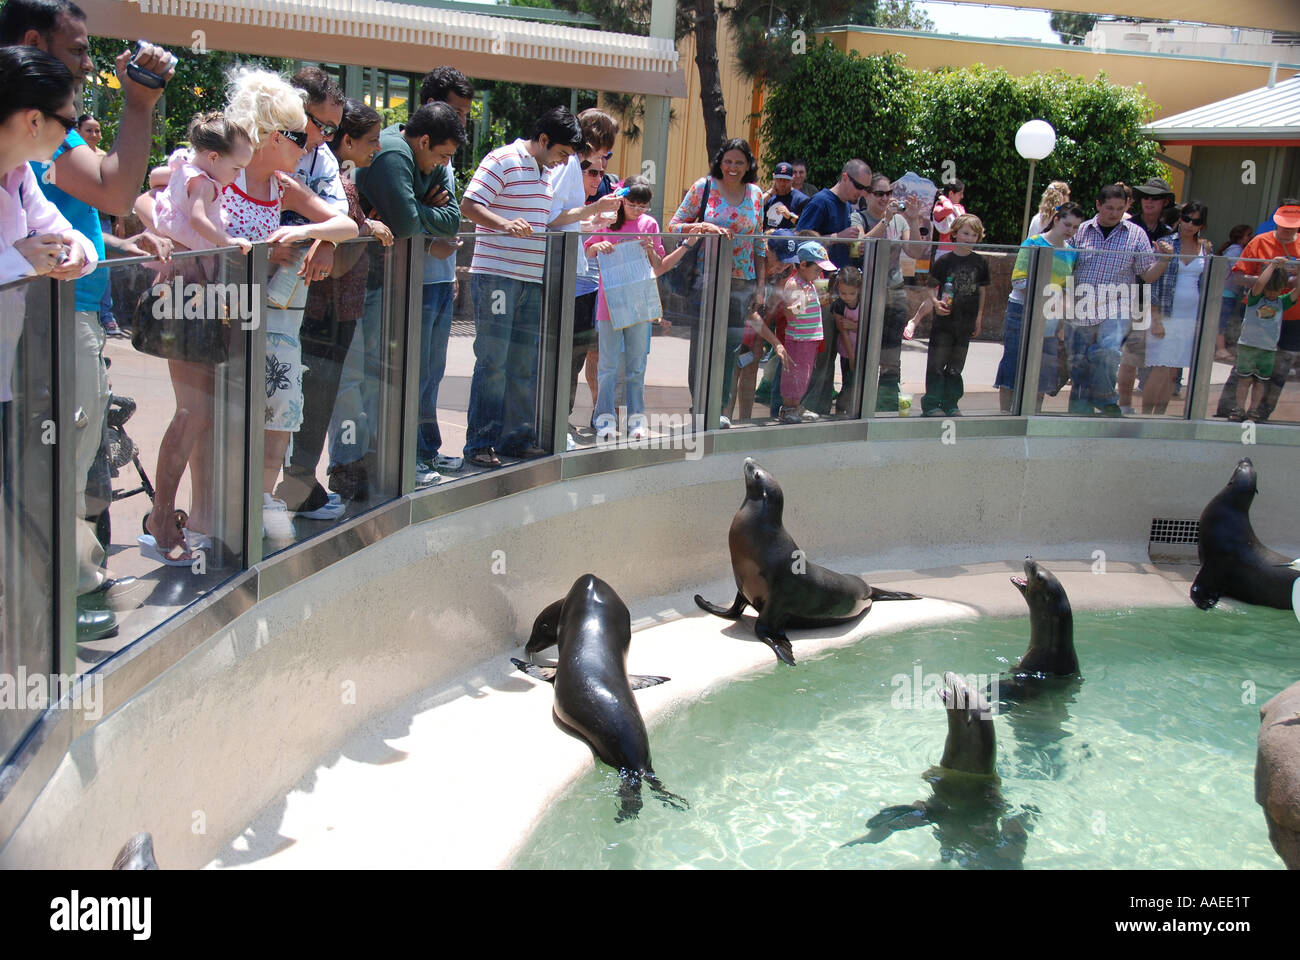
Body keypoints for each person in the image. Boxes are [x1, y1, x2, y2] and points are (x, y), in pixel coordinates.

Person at [6, 0, 173, 624]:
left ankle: (67, 580)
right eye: (77, 50)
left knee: (66, 452)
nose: (87, 63)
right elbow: (114, 188)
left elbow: (64, 226)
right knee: (55, 456)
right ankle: (58, 592)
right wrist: (138, 104)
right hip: (44, 318)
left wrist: (89, 247)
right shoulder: (33, 131)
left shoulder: (24, 160)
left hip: (52, 310)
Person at [277, 99, 392, 522]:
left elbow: (344, 232)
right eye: (371, 140)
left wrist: (350, 230)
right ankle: (297, 483)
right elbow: (342, 239)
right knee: (309, 400)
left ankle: (299, 482)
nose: (376, 148)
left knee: (316, 400)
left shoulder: (338, 179)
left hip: (336, 309)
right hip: (320, 308)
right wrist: (354, 230)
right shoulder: (339, 186)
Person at [461, 105, 582, 468]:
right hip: (498, 277)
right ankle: (479, 443)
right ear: (543, 140)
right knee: (493, 361)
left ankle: (514, 439)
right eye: (561, 153)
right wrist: (503, 223)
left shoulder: (545, 170)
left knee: (522, 363)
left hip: (530, 279)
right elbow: (469, 205)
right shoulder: (501, 159)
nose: (563, 163)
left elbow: (548, 219)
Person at [351, 101, 464, 488]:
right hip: (370, 284)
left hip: (392, 281)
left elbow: (451, 220)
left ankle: (395, 459)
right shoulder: (393, 154)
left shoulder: (417, 154)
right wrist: (416, 212)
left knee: (408, 374)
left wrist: (414, 214)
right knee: (374, 379)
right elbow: (405, 222)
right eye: (441, 156)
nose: (441, 167)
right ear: (425, 139)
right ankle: (372, 465)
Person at [667, 137, 766, 427]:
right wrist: (702, 226)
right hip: (706, 280)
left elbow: (759, 242)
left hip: (741, 282)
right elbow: (674, 224)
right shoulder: (704, 187)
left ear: (748, 165)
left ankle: (720, 408)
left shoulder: (757, 194)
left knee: (731, 347)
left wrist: (760, 285)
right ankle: (700, 407)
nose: (732, 167)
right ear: (719, 163)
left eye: (739, 162)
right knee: (703, 347)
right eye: (727, 161)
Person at [584, 176, 689, 440]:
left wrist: (651, 248)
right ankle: (604, 419)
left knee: (636, 366)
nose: (637, 211)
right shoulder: (608, 220)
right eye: (632, 205)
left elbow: (658, 263)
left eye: (643, 206)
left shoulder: (649, 223)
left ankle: (636, 421)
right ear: (622, 200)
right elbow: (588, 250)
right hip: (610, 303)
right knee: (607, 366)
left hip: (639, 301)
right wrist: (598, 245)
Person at [545, 107, 622, 440]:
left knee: (576, 357)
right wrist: (594, 211)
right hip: (560, 280)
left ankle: (557, 424)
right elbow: (551, 217)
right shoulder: (569, 168)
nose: (603, 165)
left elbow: (567, 219)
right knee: (561, 360)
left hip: (577, 282)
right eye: (604, 153)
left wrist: (590, 223)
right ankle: (551, 426)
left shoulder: (575, 168)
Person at [1064, 184, 1171, 416]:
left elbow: (1147, 275)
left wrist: (1163, 261)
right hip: (1082, 305)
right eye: (1109, 208)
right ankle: (1080, 411)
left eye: (1120, 209)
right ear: (1098, 205)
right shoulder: (1080, 231)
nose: (1114, 213)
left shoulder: (1136, 234)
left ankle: (1106, 400)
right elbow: (1063, 266)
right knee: (1080, 364)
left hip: (1117, 305)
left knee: (1109, 352)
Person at [994, 201, 1083, 412]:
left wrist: (1062, 317)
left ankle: (1033, 415)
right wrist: (1051, 296)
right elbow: (1019, 280)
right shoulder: (1033, 242)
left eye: (1075, 227)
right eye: (1068, 225)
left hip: (1050, 317)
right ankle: (1005, 415)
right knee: (1013, 364)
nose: (1071, 231)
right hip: (1022, 311)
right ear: (1056, 220)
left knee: (1043, 368)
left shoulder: (1072, 252)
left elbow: (1068, 288)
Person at [1214, 204, 1300, 422]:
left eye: (1293, 228)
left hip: (1292, 316)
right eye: (1284, 227)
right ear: (1276, 223)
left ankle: (1260, 413)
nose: (1288, 231)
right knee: (1245, 362)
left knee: (1280, 368)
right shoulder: (1260, 241)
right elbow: (1239, 277)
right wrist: (1269, 282)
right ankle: (1230, 410)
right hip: (1256, 313)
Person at [855, 172, 927, 412]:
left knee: (891, 350)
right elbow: (859, 247)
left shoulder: (901, 221)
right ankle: (859, 402)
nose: (885, 198)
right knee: (864, 348)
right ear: (867, 194)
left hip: (895, 291)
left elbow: (915, 252)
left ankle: (885, 403)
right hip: (867, 291)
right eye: (879, 193)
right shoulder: (859, 217)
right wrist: (884, 221)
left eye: (888, 193)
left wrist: (914, 221)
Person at [1143, 201, 1211, 415]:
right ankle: (1144, 417)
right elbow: (1152, 283)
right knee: (1160, 368)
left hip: (1191, 316)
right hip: (1165, 313)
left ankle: (1160, 417)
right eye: (1187, 218)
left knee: (1173, 372)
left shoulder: (1207, 248)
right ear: (1180, 218)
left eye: (1196, 221)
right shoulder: (1165, 243)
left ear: (1202, 224)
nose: (1190, 224)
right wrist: (1155, 318)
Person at [1117, 176, 1176, 413]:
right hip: (1132, 301)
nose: (1149, 202)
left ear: (1164, 203)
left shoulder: (1170, 234)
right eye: (1146, 197)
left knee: (1158, 362)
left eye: (1155, 198)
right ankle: (1124, 406)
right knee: (1130, 359)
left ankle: (1152, 413)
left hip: (1160, 305)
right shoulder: (1127, 227)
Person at [920, 213, 989, 417]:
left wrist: (979, 318)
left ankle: (950, 403)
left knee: (956, 366)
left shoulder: (980, 262)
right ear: (955, 233)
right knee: (936, 363)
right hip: (944, 322)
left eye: (974, 235)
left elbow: (982, 291)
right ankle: (931, 403)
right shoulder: (944, 260)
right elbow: (931, 286)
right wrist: (935, 302)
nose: (969, 238)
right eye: (965, 233)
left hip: (966, 322)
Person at [1232, 258, 1299, 421]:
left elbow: (1297, 290)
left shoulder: (1282, 302)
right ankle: (1239, 408)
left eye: (1276, 291)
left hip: (1268, 349)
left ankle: (1253, 409)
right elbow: (1260, 284)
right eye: (1269, 290)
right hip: (1248, 346)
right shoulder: (1255, 298)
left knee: (1260, 382)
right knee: (1244, 379)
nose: (1271, 293)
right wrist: (1273, 265)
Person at [777, 241, 837, 423]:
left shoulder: (809, 284)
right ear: (803, 265)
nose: (819, 274)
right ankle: (788, 408)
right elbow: (790, 313)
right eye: (817, 269)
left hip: (809, 338)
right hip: (798, 339)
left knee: (805, 374)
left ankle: (796, 406)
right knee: (794, 373)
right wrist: (807, 299)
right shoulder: (795, 284)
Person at [1214, 224, 1252, 363]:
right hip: (1226, 292)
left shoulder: (1232, 249)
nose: (1250, 238)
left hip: (1228, 292)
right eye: (1248, 235)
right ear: (1241, 237)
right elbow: (1236, 270)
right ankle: (1220, 349)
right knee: (1221, 322)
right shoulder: (1236, 251)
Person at [831, 264, 862, 408]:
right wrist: (852, 357)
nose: (847, 297)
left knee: (861, 382)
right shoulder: (839, 305)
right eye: (843, 293)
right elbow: (842, 331)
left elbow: (872, 324)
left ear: (859, 289)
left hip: (863, 348)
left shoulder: (866, 302)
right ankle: (842, 408)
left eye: (851, 293)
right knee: (848, 381)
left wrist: (855, 326)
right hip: (847, 350)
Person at [762, 161, 808, 231]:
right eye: (779, 179)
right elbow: (753, 207)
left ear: (793, 179)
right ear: (774, 178)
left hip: (789, 240)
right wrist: (770, 193)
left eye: (786, 180)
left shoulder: (801, 200)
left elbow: (806, 225)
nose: (782, 183)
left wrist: (790, 216)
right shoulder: (769, 198)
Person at [931, 180, 965, 256]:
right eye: (960, 194)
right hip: (944, 252)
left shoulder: (959, 208)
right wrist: (944, 199)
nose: (962, 197)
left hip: (959, 251)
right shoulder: (938, 208)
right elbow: (949, 209)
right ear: (951, 193)